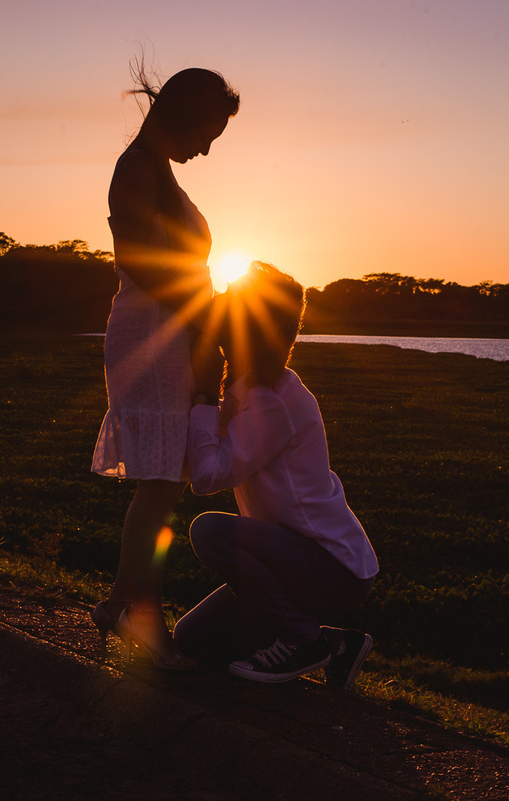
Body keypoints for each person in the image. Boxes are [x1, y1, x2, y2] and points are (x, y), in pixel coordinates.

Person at [90, 64, 240, 670]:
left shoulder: (157, 169)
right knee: (159, 485)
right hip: (154, 335)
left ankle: (119, 605)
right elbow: (137, 259)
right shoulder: (136, 168)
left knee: (164, 482)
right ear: (183, 117)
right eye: (206, 135)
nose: (205, 149)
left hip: (172, 331)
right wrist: (201, 317)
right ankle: (140, 613)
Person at [172, 262, 379, 689]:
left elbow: (207, 478)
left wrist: (205, 394)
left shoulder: (272, 401)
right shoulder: (247, 388)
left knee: (210, 531)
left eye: (227, 301)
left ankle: (304, 642)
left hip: (332, 568)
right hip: (285, 560)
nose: (216, 304)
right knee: (192, 639)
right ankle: (338, 645)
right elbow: (206, 460)